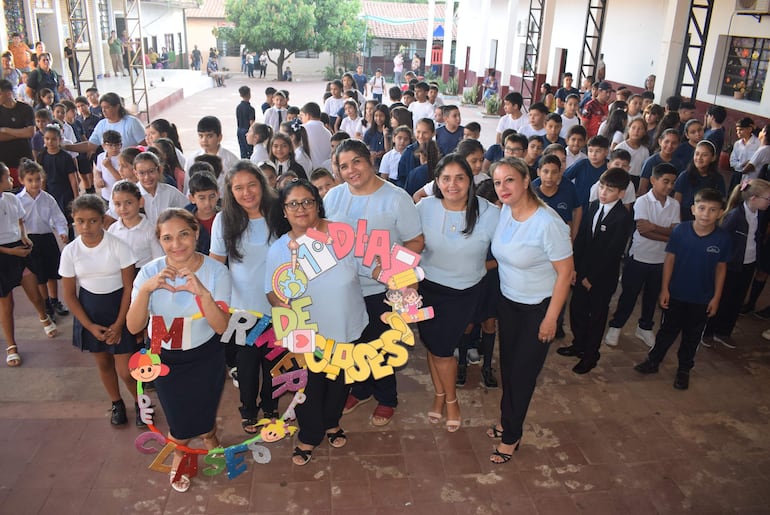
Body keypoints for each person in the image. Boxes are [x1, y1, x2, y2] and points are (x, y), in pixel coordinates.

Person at [127, 208, 231, 492]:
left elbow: (222, 327)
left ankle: (209, 437)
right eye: (168, 237)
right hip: (164, 358)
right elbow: (134, 326)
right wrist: (146, 290)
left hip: (205, 355)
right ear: (159, 241)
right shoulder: (149, 272)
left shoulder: (216, 271)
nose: (177, 244)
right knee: (178, 415)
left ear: (196, 233)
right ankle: (180, 452)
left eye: (184, 234)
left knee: (205, 405)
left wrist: (202, 293)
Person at [265, 179, 368, 465]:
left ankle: (332, 422)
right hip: (306, 334)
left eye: (307, 201)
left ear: (317, 204)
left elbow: (373, 263)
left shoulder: (342, 234)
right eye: (293, 203)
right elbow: (271, 292)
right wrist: (285, 308)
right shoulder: (279, 249)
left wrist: (400, 280)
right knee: (309, 387)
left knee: (339, 383)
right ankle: (309, 435)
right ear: (284, 211)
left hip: (347, 325)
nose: (301, 208)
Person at [325, 140, 424, 426]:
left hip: (382, 289)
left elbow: (416, 240)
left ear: (369, 160)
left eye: (356, 161)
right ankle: (361, 389)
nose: (351, 170)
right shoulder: (333, 197)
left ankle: (386, 398)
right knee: (353, 343)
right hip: (344, 288)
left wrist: (393, 262)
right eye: (344, 166)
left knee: (379, 346)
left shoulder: (396, 197)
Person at [487, 157, 573, 462]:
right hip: (509, 302)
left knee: (523, 374)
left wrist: (551, 319)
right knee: (509, 367)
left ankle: (512, 435)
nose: (503, 188)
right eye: (498, 182)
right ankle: (506, 420)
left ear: (526, 181)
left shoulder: (548, 223)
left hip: (538, 308)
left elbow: (566, 274)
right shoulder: (506, 211)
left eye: (509, 180)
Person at [416, 154, 499, 431]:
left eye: (460, 177)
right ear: (437, 182)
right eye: (446, 178)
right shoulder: (424, 207)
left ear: (470, 180)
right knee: (433, 345)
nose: (453, 184)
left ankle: (451, 400)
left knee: (442, 350)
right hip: (428, 289)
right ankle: (440, 397)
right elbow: (408, 244)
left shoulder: (488, 212)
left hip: (465, 292)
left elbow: (510, 247)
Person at [634, 188, 729, 390]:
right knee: (666, 331)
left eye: (713, 210)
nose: (706, 214)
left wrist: (716, 297)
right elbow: (670, 259)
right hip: (676, 294)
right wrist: (665, 289)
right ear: (693, 209)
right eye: (702, 208)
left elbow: (721, 268)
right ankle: (653, 361)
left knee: (692, 337)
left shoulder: (722, 238)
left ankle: (684, 369)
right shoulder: (681, 231)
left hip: (702, 298)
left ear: (721, 213)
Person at [209, 161, 277, 433]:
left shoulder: (279, 214)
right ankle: (249, 410)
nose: (247, 192)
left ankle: (271, 408)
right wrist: (220, 306)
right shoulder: (224, 220)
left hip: (279, 307)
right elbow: (216, 264)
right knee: (246, 367)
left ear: (262, 184)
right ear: (230, 191)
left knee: (274, 364)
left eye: (252, 185)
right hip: (242, 311)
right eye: (238, 188)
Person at [59, 194, 139, 424]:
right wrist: (89, 326)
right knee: (103, 363)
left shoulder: (118, 246)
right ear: (73, 220)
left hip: (119, 309)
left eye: (93, 220)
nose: (86, 227)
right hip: (90, 312)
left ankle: (140, 402)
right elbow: (69, 295)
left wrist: (120, 323)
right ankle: (117, 403)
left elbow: (129, 288)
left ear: (103, 220)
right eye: (80, 221)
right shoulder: (70, 252)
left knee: (126, 369)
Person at [558, 168, 632, 374]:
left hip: (602, 278)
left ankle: (590, 355)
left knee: (597, 317)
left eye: (610, 189)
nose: (604, 192)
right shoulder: (591, 207)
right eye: (602, 186)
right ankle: (578, 344)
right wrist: (575, 270)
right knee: (577, 310)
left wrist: (592, 277)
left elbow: (612, 253)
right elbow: (581, 241)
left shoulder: (622, 218)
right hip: (582, 273)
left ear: (621, 193)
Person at [605, 163, 680, 348]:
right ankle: (616, 325)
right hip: (639, 257)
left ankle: (645, 327)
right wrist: (666, 233)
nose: (669, 186)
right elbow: (643, 230)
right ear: (653, 180)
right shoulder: (642, 201)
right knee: (629, 295)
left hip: (661, 260)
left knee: (651, 296)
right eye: (665, 181)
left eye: (672, 182)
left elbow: (675, 233)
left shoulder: (674, 204)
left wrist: (654, 227)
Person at [703, 179, 770, 348]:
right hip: (731, 265)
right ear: (753, 198)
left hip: (748, 263)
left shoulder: (758, 214)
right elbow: (722, 240)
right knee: (723, 298)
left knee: (736, 299)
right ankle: (708, 331)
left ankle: (724, 331)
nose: (768, 202)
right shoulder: (735, 216)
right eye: (767, 198)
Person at [16, 159, 69, 322]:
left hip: (47, 238)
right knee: (40, 275)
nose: (34, 184)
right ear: (22, 180)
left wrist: (62, 232)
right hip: (30, 241)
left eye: (38, 179)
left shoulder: (48, 198)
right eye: (30, 180)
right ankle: (46, 303)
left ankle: (54, 300)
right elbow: (15, 221)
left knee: (52, 271)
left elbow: (58, 217)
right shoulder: (18, 200)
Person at [108, 181, 163, 269]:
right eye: (118, 204)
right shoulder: (112, 229)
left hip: (144, 273)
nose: (123, 208)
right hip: (120, 274)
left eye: (129, 203)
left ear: (141, 202)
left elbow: (158, 259)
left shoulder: (150, 230)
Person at [674, 140, 725, 222]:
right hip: (685, 219)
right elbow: (677, 202)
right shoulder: (685, 176)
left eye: (704, 155)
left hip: (707, 220)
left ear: (713, 158)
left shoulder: (718, 178)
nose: (699, 158)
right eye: (697, 154)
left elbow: (721, 202)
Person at [189, 115, 239, 194]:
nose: (204, 140)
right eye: (201, 136)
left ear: (219, 137)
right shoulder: (192, 159)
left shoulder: (231, 160)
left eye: (209, 136)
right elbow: (188, 186)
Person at [0, 79, 34, 188]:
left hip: (25, 157)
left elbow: (30, 132)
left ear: (8, 93)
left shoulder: (25, 109)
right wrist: (20, 132)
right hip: (6, 160)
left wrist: (6, 130)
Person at [638, 129, 682, 196]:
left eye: (674, 143)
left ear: (678, 144)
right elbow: (642, 188)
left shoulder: (679, 163)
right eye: (666, 142)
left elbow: (678, 188)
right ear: (660, 141)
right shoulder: (650, 162)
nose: (670, 145)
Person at [730, 118, 761, 183]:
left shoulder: (758, 144)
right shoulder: (737, 144)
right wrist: (741, 165)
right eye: (737, 130)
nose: (738, 132)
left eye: (741, 130)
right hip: (737, 175)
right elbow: (732, 162)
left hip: (751, 178)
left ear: (749, 129)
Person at [236, 86, 256, 159]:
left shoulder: (238, 107)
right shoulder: (251, 109)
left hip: (239, 130)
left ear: (240, 95)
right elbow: (252, 123)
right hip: (247, 131)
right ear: (249, 94)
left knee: (243, 151)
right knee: (250, 151)